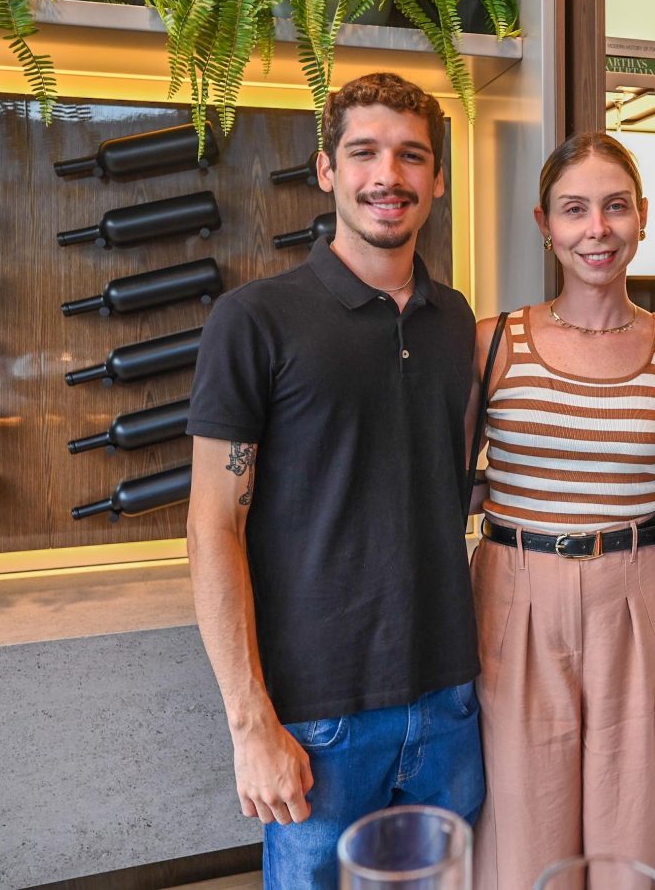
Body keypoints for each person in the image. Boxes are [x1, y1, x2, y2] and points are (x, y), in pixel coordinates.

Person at [185, 72, 483, 889]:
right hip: (317, 720)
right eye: (364, 153)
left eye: (411, 155)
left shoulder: (456, 321)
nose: (388, 175)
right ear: (327, 170)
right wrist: (251, 724)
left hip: (452, 700)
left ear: (437, 179)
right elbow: (213, 526)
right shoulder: (255, 319)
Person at [468, 131, 655, 888]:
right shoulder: (494, 342)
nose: (596, 230)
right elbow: (447, 472)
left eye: (614, 208)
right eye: (574, 211)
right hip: (515, 585)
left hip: (636, 588)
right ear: (545, 225)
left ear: (642, 216)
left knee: (630, 815)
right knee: (522, 818)